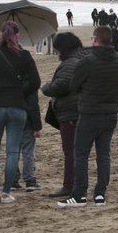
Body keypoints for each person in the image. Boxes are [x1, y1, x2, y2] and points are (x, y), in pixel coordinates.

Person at [0, 21, 41, 205]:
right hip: (17, 107)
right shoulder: (25, 55)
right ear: (17, 35)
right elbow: (35, 82)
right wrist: (21, 92)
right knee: (12, 151)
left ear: (1, 35)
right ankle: (6, 192)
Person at [58, 26, 118, 207]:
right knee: (103, 154)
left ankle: (79, 194)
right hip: (110, 113)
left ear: (95, 40)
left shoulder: (88, 61)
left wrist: (87, 89)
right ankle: (100, 193)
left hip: (90, 113)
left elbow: (73, 85)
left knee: (81, 154)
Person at [42, 32, 90, 198]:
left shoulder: (71, 62)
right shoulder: (83, 57)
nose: (57, 52)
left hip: (71, 112)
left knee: (71, 151)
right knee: (78, 151)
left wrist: (46, 87)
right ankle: (75, 184)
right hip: (80, 110)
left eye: (57, 49)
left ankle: (69, 185)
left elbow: (62, 85)